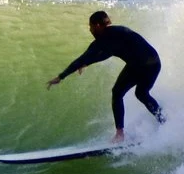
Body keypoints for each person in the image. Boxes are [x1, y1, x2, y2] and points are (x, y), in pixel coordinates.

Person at [48, 10, 163, 142]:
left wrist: (61, 76)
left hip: (139, 66)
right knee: (142, 94)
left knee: (117, 93)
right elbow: (106, 53)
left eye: (90, 26)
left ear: (97, 26)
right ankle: (163, 121)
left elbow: (85, 57)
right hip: (154, 64)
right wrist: (87, 63)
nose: (90, 30)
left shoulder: (106, 38)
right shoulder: (116, 32)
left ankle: (120, 134)